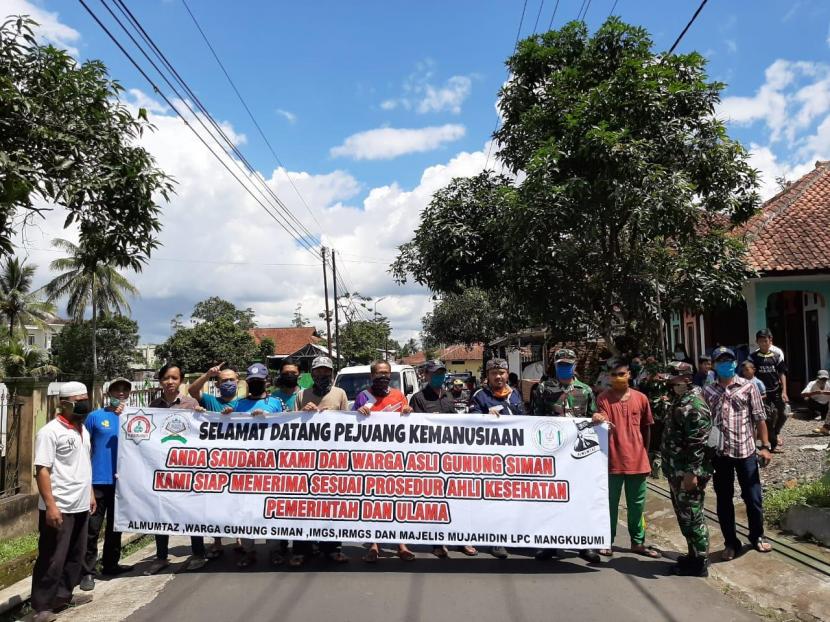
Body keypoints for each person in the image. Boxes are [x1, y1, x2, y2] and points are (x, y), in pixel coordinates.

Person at [31, 382, 95, 622]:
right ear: (63, 403)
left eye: (85, 398)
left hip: (80, 503)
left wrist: (88, 493)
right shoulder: (50, 432)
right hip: (60, 506)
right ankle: (43, 606)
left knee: (74, 556)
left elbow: (83, 464)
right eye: (78, 399)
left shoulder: (82, 429)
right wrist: (51, 505)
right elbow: (42, 470)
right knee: (52, 557)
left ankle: (63, 596)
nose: (83, 403)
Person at [704, 346, 773, 560]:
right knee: (724, 500)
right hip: (720, 454)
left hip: (746, 450)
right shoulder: (707, 391)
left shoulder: (748, 387)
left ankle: (757, 536)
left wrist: (765, 446)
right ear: (714, 365)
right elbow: (704, 422)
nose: (726, 364)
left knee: (753, 497)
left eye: (729, 360)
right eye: (721, 361)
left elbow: (759, 417)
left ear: (735, 362)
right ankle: (731, 543)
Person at [531, 348, 600, 563]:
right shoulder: (543, 389)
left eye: (568, 364)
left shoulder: (586, 390)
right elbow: (534, 421)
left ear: (575, 365)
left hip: (579, 457)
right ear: (555, 365)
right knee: (551, 500)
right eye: (560, 364)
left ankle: (584, 545)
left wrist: (598, 416)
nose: (564, 367)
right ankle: (549, 545)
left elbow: (593, 416)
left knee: (580, 499)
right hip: (552, 456)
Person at [408, 361, 477, 558]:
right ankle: (438, 542)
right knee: (436, 503)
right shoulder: (418, 398)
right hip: (430, 459)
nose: (438, 377)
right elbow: (416, 428)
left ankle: (463, 540)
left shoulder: (448, 396)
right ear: (426, 376)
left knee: (459, 501)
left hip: (452, 457)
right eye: (434, 374)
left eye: (441, 373)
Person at [594, 360, 659, 559]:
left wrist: (646, 454)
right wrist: (597, 417)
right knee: (609, 504)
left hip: (638, 462)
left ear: (629, 374)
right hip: (612, 462)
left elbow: (647, 427)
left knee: (637, 505)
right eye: (613, 374)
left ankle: (637, 542)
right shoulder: (603, 399)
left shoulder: (641, 398)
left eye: (621, 373)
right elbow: (601, 417)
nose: (617, 377)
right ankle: (607, 540)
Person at [146, 363, 206, 575]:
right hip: (161, 466)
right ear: (160, 381)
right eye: (166, 378)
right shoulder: (153, 406)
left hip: (187, 466)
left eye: (174, 378)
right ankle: (161, 557)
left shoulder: (191, 404)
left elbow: (201, 433)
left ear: (181, 380)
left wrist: (202, 415)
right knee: (161, 511)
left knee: (190, 510)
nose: (170, 382)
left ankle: (198, 553)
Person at [354, 360, 414, 562]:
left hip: (396, 459)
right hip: (371, 460)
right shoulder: (363, 396)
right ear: (372, 376)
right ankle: (374, 545)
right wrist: (358, 413)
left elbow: (407, 423)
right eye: (379, 373)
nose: (383, 376)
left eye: (386, 373)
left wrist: (408, 413)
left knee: (397, 502)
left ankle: (401, 544)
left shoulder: (398, 395)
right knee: (374, 503)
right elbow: (350, 425)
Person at [79, 378, 133, 593]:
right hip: (98, 482)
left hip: (123, 482)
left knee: (115, 526)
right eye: (116, 389)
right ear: (108, 392)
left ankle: (111, 565)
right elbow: (83, 448)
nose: (120, 393)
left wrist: (126, 417)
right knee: (92, 529)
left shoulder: (133, 417)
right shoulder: (95, 417)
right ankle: (87, 572)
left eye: (124, 390)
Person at [661, 362, 714, 577]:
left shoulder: (694, 405)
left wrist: (692, 473)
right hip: (677, 469)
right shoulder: (681, 400)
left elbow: (698, 444)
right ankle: (693, 554)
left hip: (687, 472)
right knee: (684, 514)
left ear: (685, 379)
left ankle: (699, 561)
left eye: (673, 378)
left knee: (692, 515)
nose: (669, 382)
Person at [469, 358, 525, 559]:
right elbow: (470, 423)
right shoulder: (479, 396)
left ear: (507, 374)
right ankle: (496, 540)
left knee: (514, 499)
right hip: (490, 459)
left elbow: (525, 419)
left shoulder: (515, 394)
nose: (498, 376)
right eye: (494, 373)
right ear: (488, 376)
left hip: (514, 457)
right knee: (494, 500)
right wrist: (485, 417)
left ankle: (515, 537)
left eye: (501, 372)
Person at [232, 363, 285, 568]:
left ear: (267, 382)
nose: (255, 385)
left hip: (272, 465)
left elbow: (291, 426)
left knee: (272, 509)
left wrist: (269, 418)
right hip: (245, 466)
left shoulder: (277, 402)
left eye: (259, 382)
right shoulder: (238, 404)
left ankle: (275, 550)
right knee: (246, 510)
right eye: (252, 382)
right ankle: (249, 550)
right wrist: (227, 416)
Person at [748, 329, 788, 451]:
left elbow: (782, 373)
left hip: (776, 390)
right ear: (757, 342)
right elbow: (748, 373)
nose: (764, 344)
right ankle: (773, 443)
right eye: (761, 341)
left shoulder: (776, 356)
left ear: (770, 341)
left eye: (766, 341)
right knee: (768, 418)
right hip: (761, 394)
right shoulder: (753, 357)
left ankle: (775, 433)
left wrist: (784, 391)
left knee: (784, 414)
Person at [806, 370, 830, 434]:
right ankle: (826, 427)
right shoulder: (812, 383)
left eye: (825, 379)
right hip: (817, 404)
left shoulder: (828, 384)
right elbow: (804, 394)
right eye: (822, 379)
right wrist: (814, 393)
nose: (823, 380)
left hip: (825, 405)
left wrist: (825, 392)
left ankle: (826, 427)